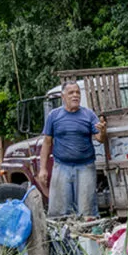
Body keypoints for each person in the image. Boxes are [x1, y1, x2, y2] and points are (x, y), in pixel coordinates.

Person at [38, 81, 106, 217]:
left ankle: (86, 237)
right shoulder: (54, 116)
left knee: (87, 211)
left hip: (85, 167)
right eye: (71, 93)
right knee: (59, 211)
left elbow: (100, 139)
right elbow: (47, 142)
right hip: (61, 167)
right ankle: (61, 238)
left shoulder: (89, 115)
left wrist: (103, 131)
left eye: (77, 93)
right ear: (63, 97)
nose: (75, 95)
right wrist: (43, 168)